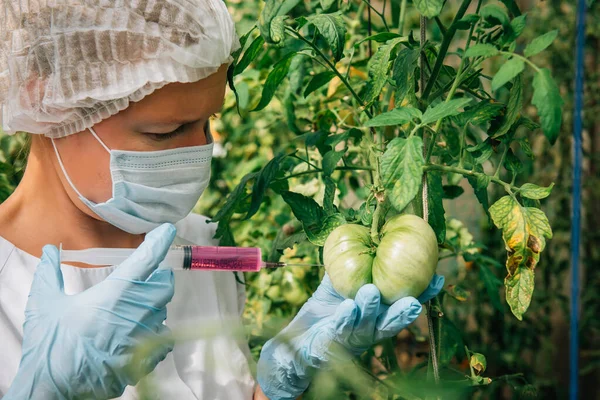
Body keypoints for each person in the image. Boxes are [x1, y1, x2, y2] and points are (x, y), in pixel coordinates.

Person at [0, 1, 444, 399]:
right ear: (45, 100)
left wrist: (278, 382)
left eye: (208, 122)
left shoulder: (201, 242)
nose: (199, 152)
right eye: (165, 132)